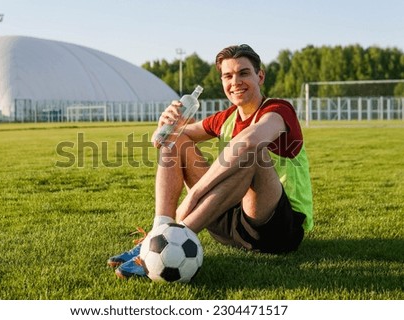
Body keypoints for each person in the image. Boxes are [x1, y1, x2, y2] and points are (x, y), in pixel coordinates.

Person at [107, 44, 313, 279]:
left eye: (243, 73)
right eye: (228, 75)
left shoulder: (278, 109)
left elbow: (250, 142)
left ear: (260, 76)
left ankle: (171, 239)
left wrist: (195, 195)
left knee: (252, 151)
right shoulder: (227, 117)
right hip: (231, 221)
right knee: (178, 139)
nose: (235, 81)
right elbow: (167, 140)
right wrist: (163, 127)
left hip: (276, 228)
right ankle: (158, 234)